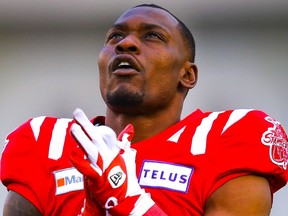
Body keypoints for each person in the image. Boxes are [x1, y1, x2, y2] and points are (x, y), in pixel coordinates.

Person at [1, 3, 288, 216]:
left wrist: (130, 201)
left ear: (187, 75)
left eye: (153, 36)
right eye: (115, 37)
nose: (126, 43)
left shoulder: (228, 141)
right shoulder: (47, 144)